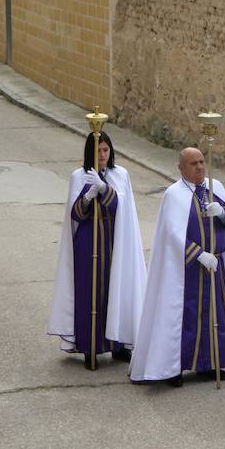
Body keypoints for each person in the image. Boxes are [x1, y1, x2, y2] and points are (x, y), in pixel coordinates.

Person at [130, 148, 225, 386]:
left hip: (216, 267)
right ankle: (175, 366)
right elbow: (172, 233)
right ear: (181, 168)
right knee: (186, 318)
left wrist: (221, 212)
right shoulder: (174, 194)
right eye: (193, 164)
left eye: (202, 162)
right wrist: (199, 255)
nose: (200, 167)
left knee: (216, 316)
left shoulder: (215, 188)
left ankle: (210, 364)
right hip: (186, 270)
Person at [49, 132, 146, 369]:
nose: (103, 155)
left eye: (106, 150)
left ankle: (118, 344)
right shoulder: (79, 176)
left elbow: (123, 207)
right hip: (88, 242)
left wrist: (105, 189)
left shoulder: (121, 174)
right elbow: (76, 215)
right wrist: (89, 194)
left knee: (116, 290)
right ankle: (89, 348)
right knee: (90, 294)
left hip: (115, 240)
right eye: (98, 151)